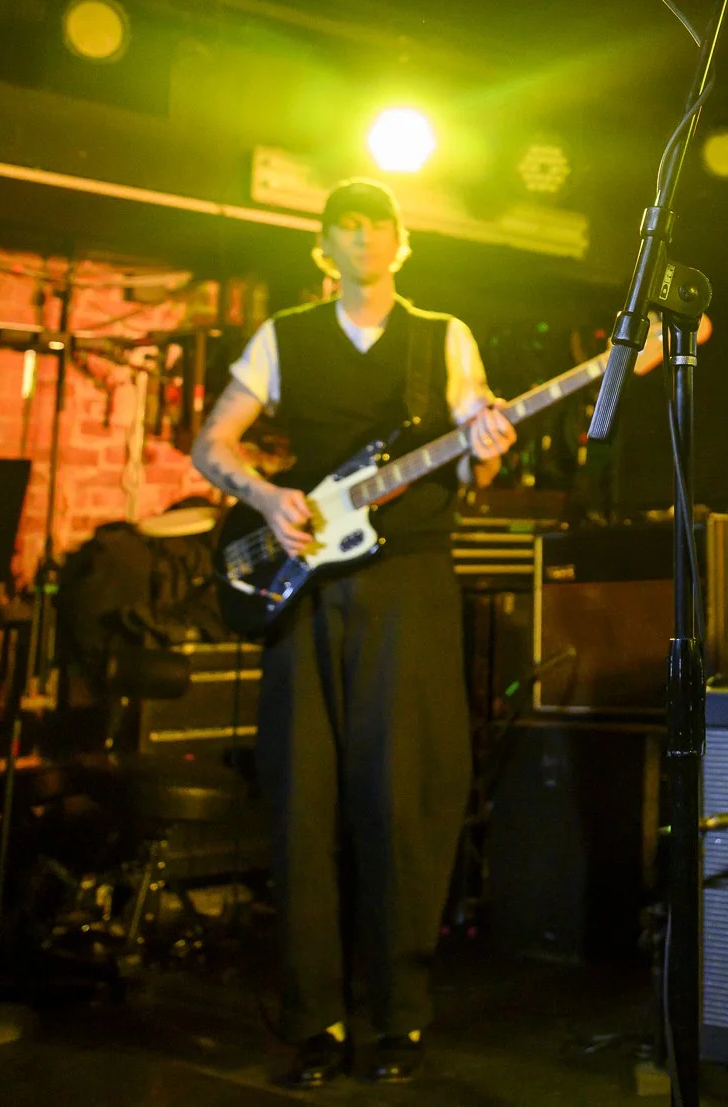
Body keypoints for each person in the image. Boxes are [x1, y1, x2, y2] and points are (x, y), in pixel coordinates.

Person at [191, 179, 514, 1087]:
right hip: (302, 587)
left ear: (401, 242)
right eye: (346, 224)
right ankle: (313, 1022)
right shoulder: (284, 335)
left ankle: (399, 1017)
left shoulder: (440, 335)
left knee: (403, 797)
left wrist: (489, 438)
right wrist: (265, 494)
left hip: (407, 580)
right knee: (300, 799)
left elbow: (474, 418)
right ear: (324, 245)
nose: (363, 237)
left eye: (378, 223)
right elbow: (212, 443)